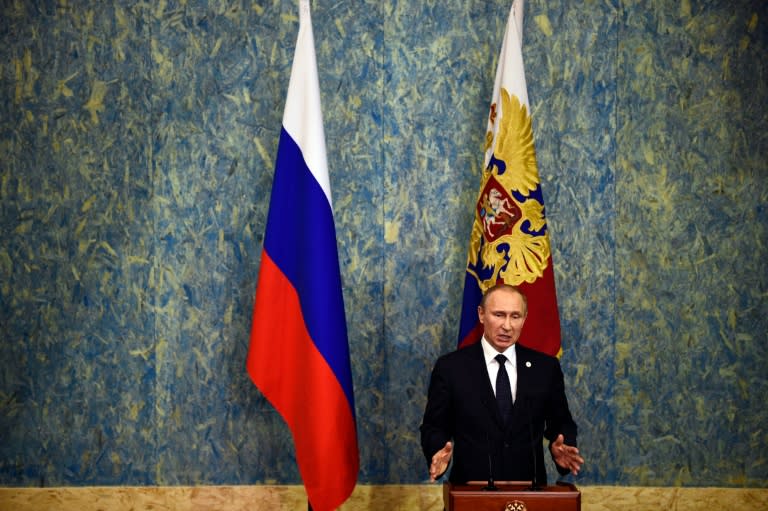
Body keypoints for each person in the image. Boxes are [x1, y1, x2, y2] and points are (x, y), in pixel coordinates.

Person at [420, 283, 583, 484]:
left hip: (529, 492)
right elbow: (434, 426)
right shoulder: (451, 368)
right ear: (481, 314)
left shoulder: (545, 368)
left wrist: (563, 445)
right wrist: (437, 450)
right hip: (470, 493)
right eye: (498, 315)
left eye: (515, 316)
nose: (507, 326)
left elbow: (561, 423)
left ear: (524, 319)